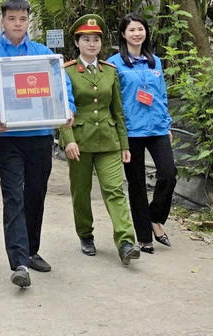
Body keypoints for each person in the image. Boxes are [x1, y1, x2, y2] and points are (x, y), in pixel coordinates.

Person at [0, 0, 64, 288]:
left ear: (28, 21)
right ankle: (19, 263)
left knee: (35, 193)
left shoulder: (43, 54)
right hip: (7, 136)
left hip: (39, 134)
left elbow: (62, 84)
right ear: (3, 21)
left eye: (22, 19)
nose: (17, 24)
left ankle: (32, 249)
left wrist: (68, 108)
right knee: (14, 194)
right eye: (11, 19)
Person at [60, 14, 139, 265]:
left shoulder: (110, 71)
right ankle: (85, 235)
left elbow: (118, 110)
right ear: (77, 42)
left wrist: (124, 144)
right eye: (86, 39)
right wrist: (68, 139)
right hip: (80, 141)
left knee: (114, 190)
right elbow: (62, 109)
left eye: (96, 39)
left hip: (108, 140)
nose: (92, 44)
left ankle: (126, 241)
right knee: (81, 193)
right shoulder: (67, 71)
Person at [107, 12, 178, 254]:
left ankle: (154, 218)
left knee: (169, 174)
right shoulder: (114, 63)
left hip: (157, 128)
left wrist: (166, 124)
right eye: (132, 30)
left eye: (140, 29)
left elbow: (161, 95)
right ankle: (144, 236)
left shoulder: (154, 61)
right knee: (136, 184)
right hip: (131, 130)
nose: (137, 34)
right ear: (123, 34)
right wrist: (118, 134)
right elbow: (113, 100)